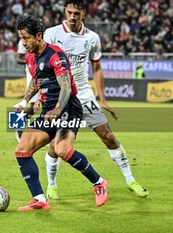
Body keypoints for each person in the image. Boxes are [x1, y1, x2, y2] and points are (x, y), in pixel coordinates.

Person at [43, 0, 148, 199]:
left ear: (84, 13)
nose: (72, 17)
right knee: (55, 147)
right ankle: (52, 185)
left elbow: (97, 68)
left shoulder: (92, 38)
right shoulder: (52, 34)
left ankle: (130, 179)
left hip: (83, 95)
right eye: (69, 12)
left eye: (76, 13)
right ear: (65, 11)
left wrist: (103, 98)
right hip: (59, 97)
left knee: (108, 136)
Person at [14, 15, 108, 211]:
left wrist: (58, 108)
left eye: (26, 38)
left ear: (38, 36)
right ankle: (39, 200)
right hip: (49, 111)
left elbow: (65, 86)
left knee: (61, 150)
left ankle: (99, 182)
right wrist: (25, 101)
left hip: (69, 109)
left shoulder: (56, 55)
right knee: (22, 150)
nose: (23, 43)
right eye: (20, 38)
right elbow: (35, 81)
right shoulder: (31, 57)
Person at [14, 40, 39, 143]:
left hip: (46, 71)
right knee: (34, 108)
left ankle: (47, 136)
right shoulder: (23, 41)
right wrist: (32, 61)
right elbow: (18, 59)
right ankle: (18, 126)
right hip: (32, 73)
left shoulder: (48, 35)